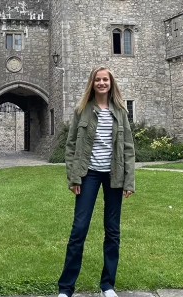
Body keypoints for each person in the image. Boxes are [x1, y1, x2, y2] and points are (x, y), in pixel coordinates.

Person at [58, 66, 136, 297]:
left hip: (114, 175)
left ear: (111, 83)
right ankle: (66, 288)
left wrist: (129, 181)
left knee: (112, 231)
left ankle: (107, 285)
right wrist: (73, 177)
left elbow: (128, 148)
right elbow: (71, 145)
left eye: (105, 80)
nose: (102, 83)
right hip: (88, 174)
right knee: (79, 229)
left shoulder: (120, 111)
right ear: (92, 83)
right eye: (98, 80)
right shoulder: (82, 110)